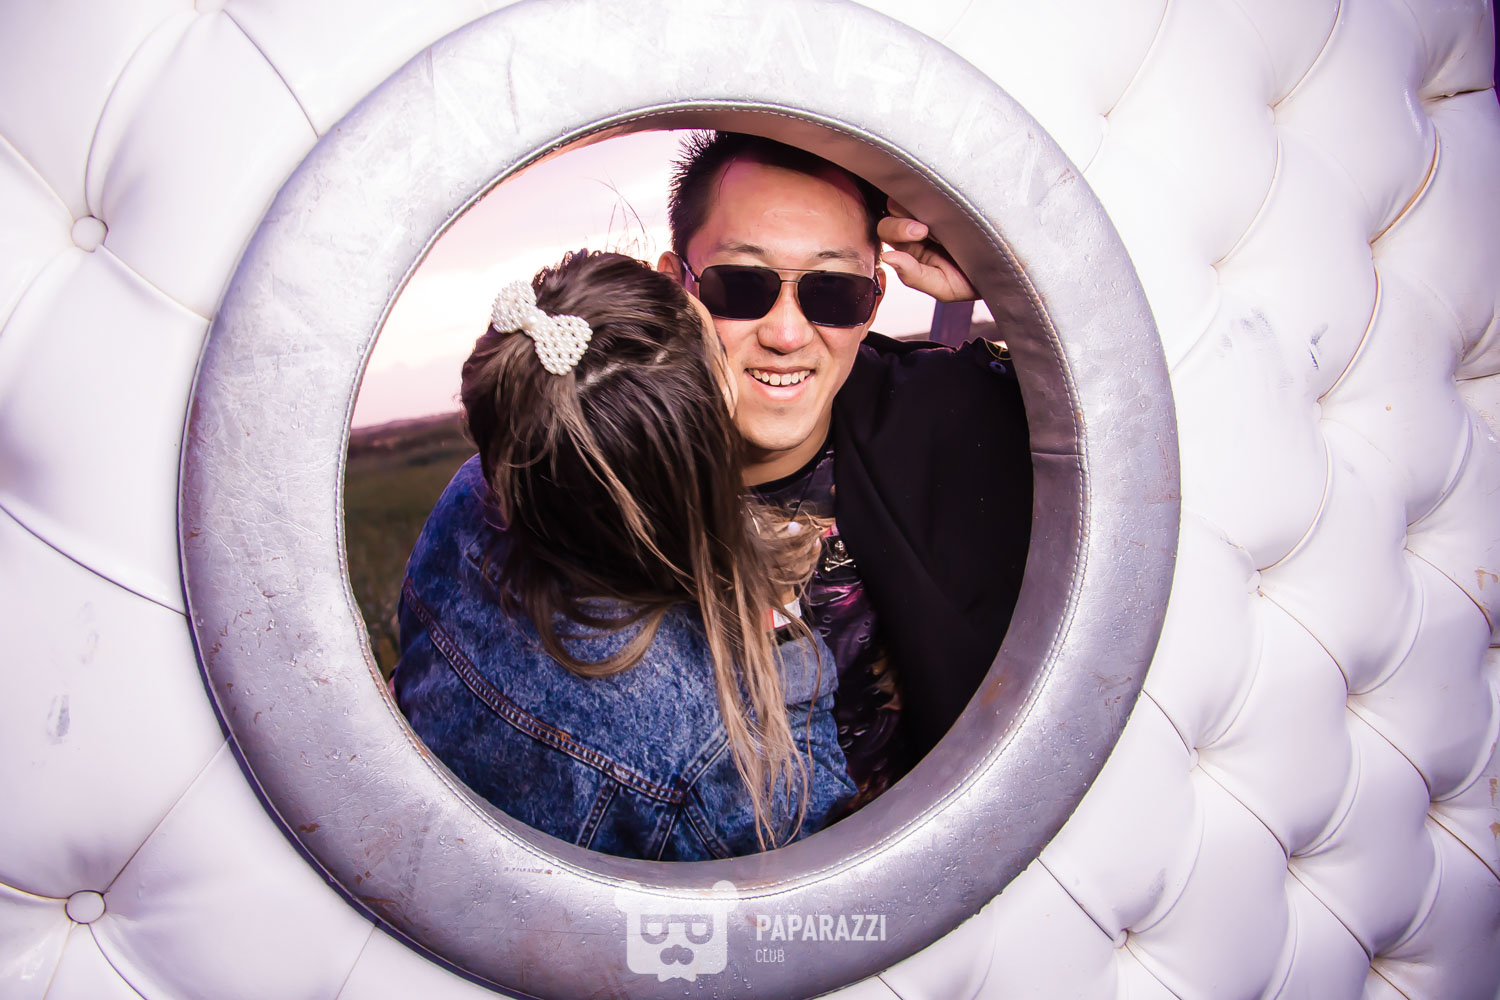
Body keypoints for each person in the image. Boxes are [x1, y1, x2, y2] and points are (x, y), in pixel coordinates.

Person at [394, 251, 855, 861]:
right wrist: (780, 637)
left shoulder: (471, 495)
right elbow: (812, 848)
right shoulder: (711, 748)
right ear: (691, 469)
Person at [656, 132, 1031, 809]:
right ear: (675, 288)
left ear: (874, 302)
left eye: (833, 292)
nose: (787, 333)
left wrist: (1015, 286)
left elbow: (1154, 424)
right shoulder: (585, 470)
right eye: (741, 285)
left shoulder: (950, 418)